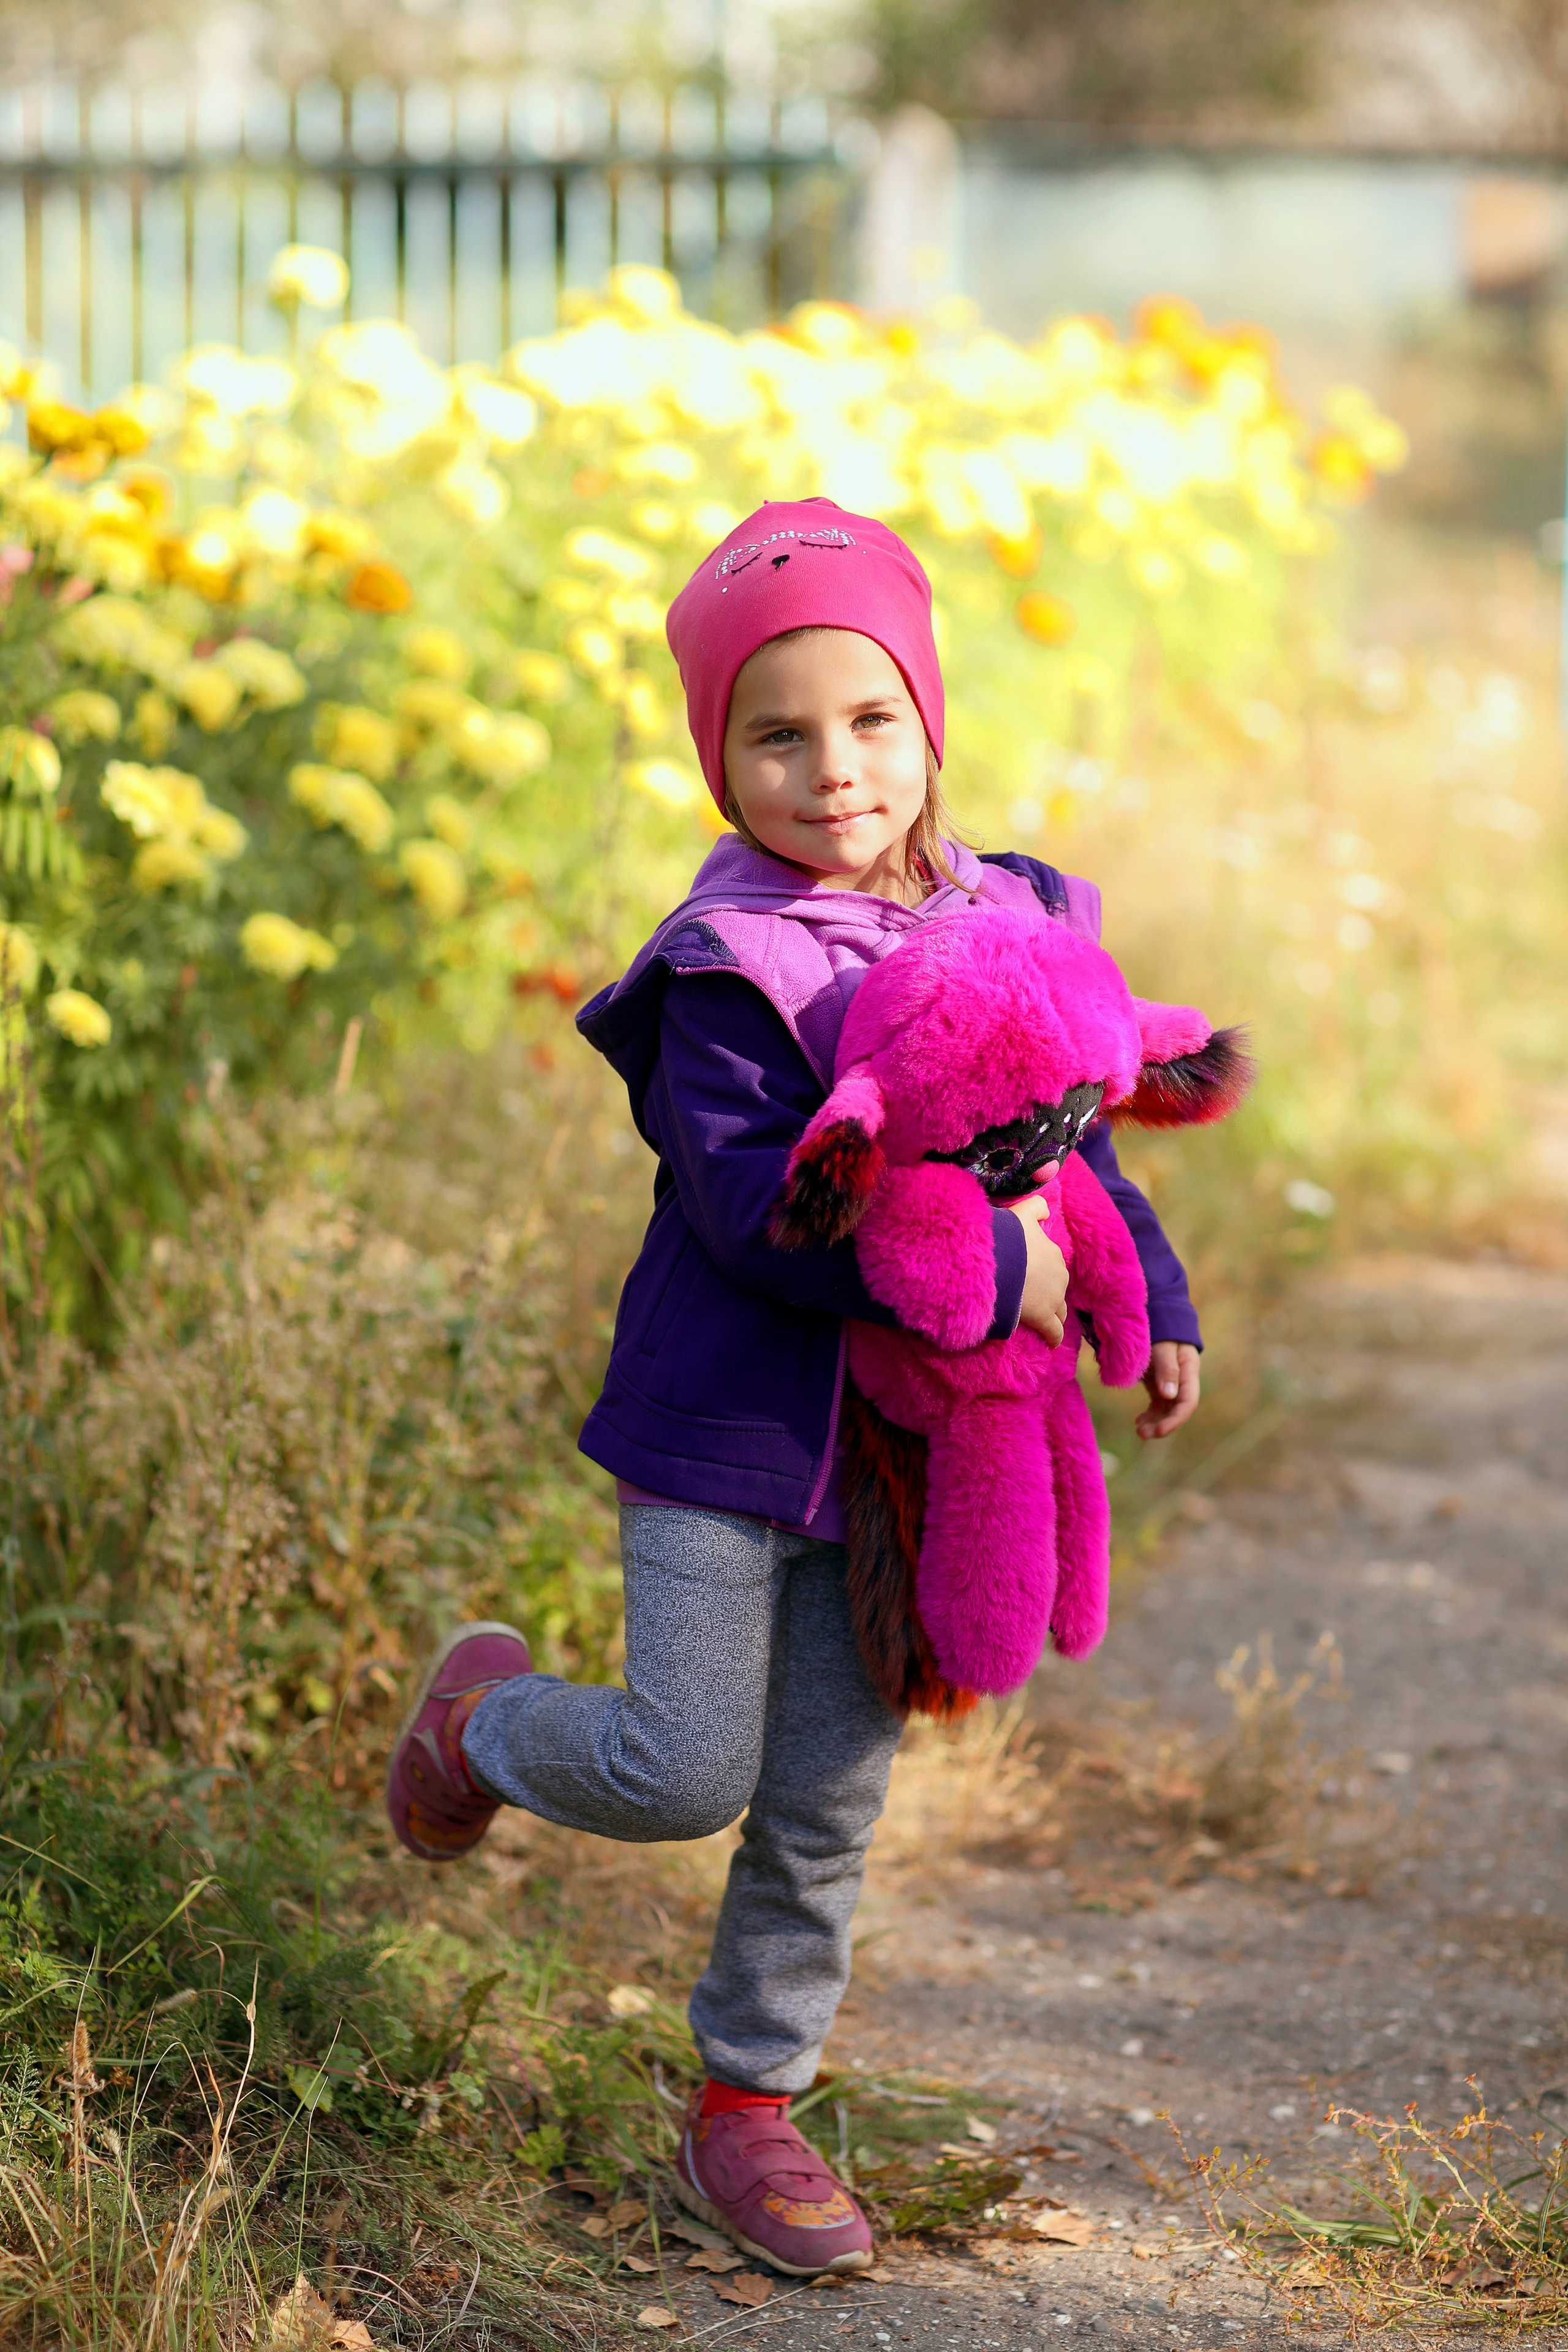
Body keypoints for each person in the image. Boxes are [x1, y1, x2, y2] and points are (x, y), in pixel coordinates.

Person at [385, 499, 1205, 2277]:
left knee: (827, 1802)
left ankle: (746, 2105)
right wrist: (996, 1278)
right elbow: (759, 1214)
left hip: (902, 1460)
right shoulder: (724, 969)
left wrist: (1154, 1301)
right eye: (777, 735)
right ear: (720, 757)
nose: (833, 770)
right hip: (725, 1437)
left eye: (870, 719)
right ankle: (484, 1726)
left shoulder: (1014, 912)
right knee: (689, 1769)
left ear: (928, 717)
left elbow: (1075, 1135)